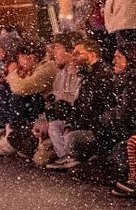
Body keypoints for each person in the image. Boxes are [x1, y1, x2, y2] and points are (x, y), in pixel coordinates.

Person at [48, 36, 116, 170]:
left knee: (71, 138)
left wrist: (74, 125)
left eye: (78, 53)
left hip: (97, 130)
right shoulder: (87, 75)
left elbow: (92, 110)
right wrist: (70, 123)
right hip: (86, 124)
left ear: (91, 55)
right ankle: (68, 156)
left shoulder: (101, 76)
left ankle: (76, 158)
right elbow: (79, 105)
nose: (74, 56)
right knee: (55, 126)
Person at [0, 35, 56, 157]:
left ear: (31, 57)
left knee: (18, 95)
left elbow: (22, 88)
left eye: (20, 58)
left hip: (46, 110)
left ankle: (16, 139)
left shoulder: (47, 68)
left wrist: (13, 75)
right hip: (39, 110)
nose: (19, 62)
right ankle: (11, 135)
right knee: (7, 89)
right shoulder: (35, 67)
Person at [37, 31, 84, 167]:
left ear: (70, 51)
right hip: (63, 119)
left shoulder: (80, 73)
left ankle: (69, 155)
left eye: (58, 48)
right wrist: (41, 122)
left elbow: (77, 101)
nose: (54, 53)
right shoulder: (61, 73)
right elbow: (53, 100)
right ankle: (64, 155)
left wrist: (64, 98)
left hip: (76, 119)